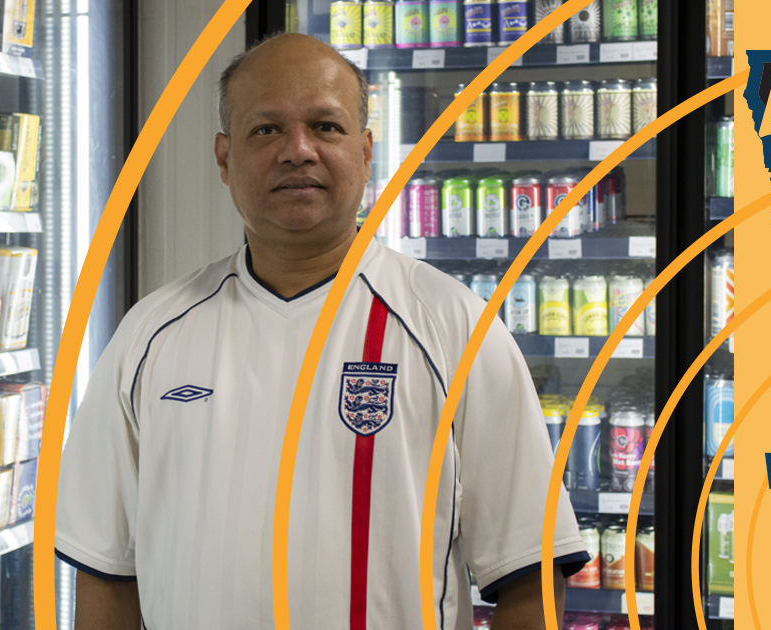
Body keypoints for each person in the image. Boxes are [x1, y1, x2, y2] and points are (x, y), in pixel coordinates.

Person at [55, 33, 587, 629]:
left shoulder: (456, 327)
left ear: (365, 152)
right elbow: (106, 572)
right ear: (224, 159)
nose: (297, 150)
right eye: (266, 130)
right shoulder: (148, 335)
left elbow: (526, 575)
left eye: (325, 127)